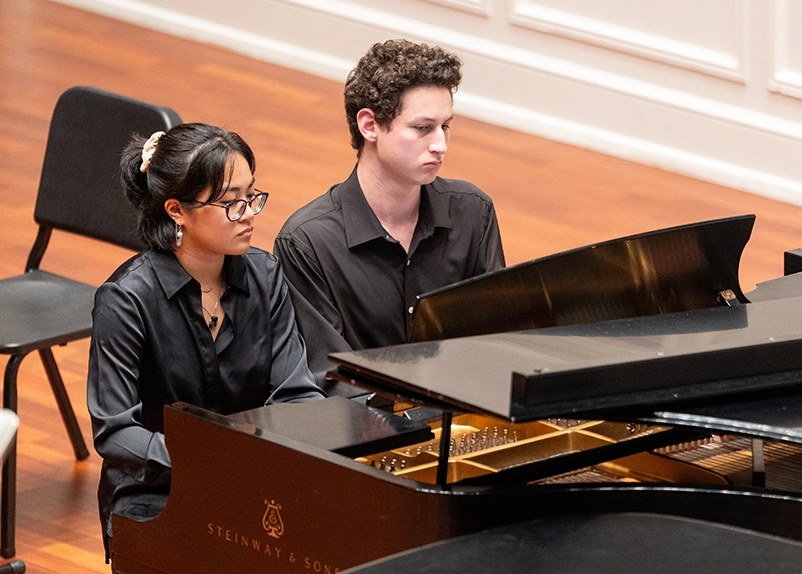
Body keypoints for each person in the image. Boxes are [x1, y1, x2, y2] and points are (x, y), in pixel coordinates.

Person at [88, 123, 324, 545]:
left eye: (252, 196)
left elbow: (296, 393)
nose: (249, 213)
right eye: (232, 203)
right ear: (177, 210)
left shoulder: (266, 275)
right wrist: (212, 462)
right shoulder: (126, 300)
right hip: (156, 491)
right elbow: (116, 431)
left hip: (253, 482)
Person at [276, 39, 505, 396]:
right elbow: (330, 377)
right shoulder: (307, 243)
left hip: (462, 416)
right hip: (365, 436)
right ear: (369, 125)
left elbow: (495, 340)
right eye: (422, 128)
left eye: (445, 127)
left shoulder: (473, 213)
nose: (440, 145)